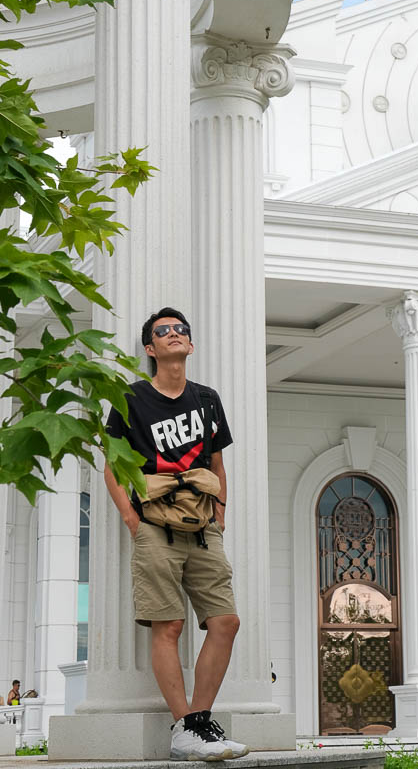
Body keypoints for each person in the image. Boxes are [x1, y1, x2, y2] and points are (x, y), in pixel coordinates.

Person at [104, 307, 248, 762]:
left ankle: (197, 725)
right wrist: (130, 516)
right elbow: (112, 464)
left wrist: (220, 511)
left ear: (190, 343)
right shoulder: (131, 399)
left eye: (180, 330)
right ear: (150, 348)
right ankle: (185, 728)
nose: (174, 335)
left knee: (225, 622)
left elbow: (217, 463)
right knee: (169, 625)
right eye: (163, 331)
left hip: (203, 528)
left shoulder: (207, 399)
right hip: (155, 526)